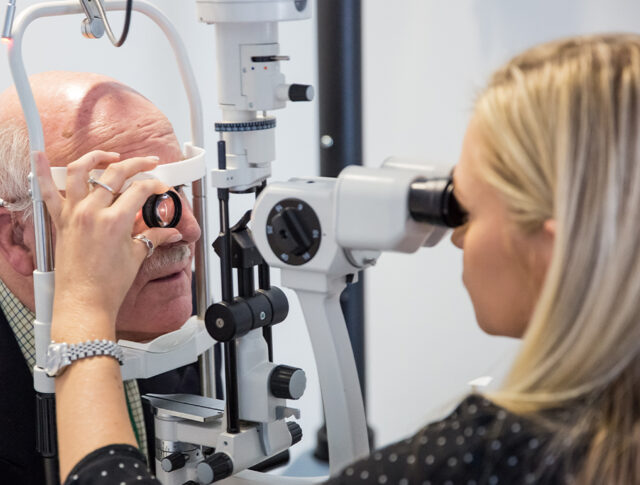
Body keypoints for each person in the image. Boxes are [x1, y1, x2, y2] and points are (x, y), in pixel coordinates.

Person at [41, 33, 640, 485]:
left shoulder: (490, 457)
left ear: (555, 249)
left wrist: (81, 308)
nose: (455, 235)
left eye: (467, 211)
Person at [0, 71, 206, 485]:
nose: (187, 229)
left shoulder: (181, 306)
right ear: (16, 237)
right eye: (123, 203)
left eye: (177, 189)